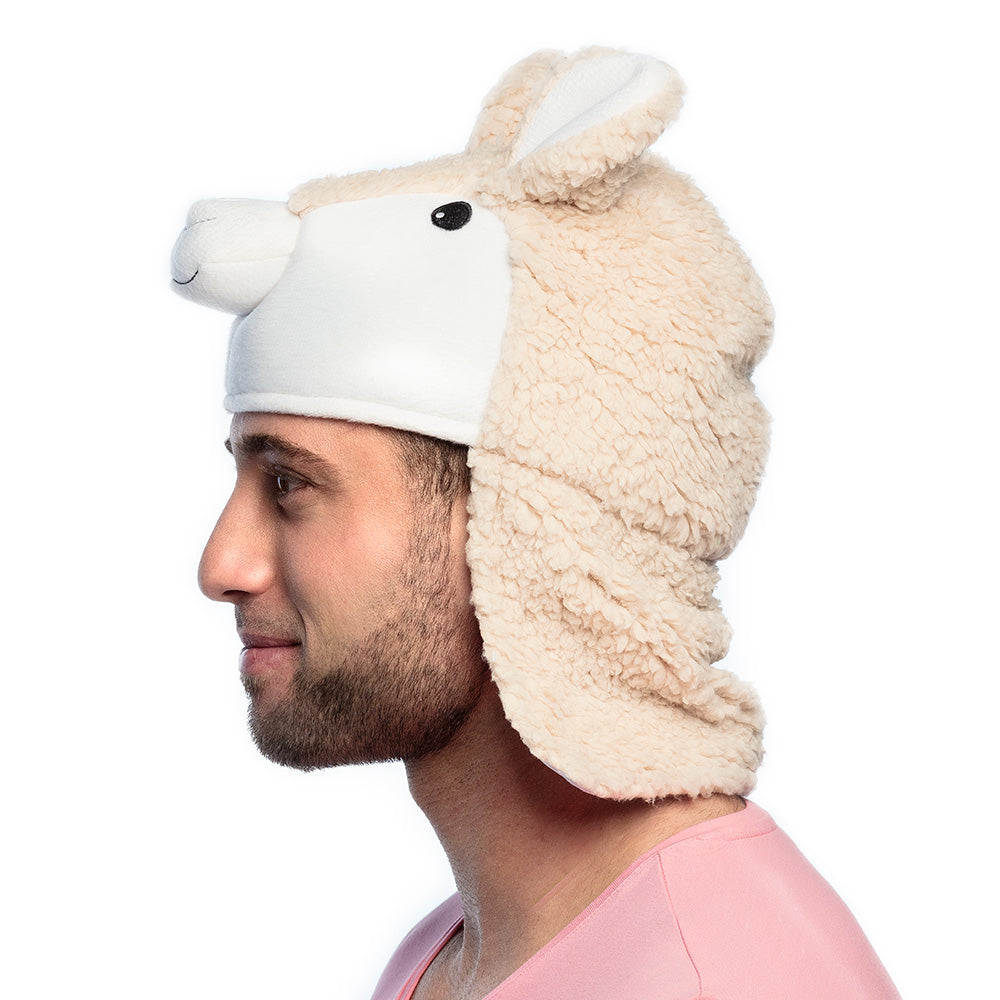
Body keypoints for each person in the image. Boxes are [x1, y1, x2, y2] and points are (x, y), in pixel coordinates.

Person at [174, 47, 901, 1000]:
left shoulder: (724, 978)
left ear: (526, 519)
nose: (221, 563)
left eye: (289, 484)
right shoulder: (442, 960)